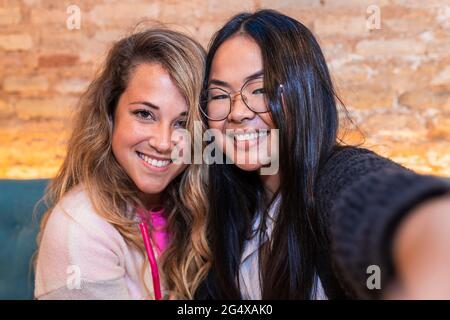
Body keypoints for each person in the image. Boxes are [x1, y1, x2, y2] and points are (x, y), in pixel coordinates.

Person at [194, 9, 450, 299]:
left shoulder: (334, 178)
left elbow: (396, 209)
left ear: (305, 93)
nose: (238, 112)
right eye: (218, 95)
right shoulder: (235, 210)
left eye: (261, 89)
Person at [34, 28, 210, 299]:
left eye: (182, 123)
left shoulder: (190, 205)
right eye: (145, 114)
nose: (163, 143)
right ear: (110, 114)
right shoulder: (82, 229)